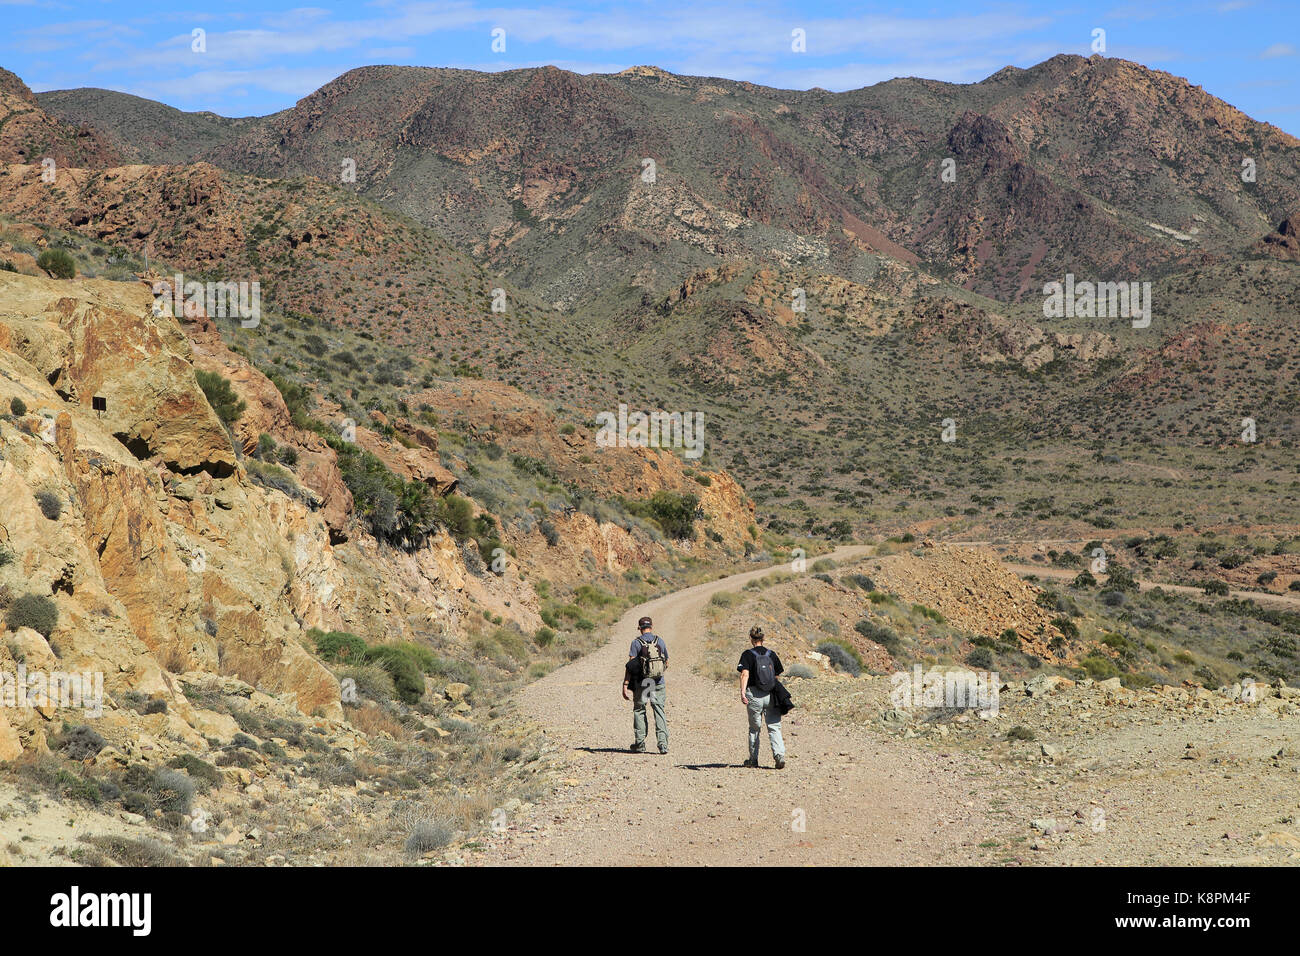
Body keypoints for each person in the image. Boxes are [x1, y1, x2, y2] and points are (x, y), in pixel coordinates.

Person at [738, 625, 785, 769]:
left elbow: (744, 674)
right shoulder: (772, 654)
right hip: (770, 694)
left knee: (754, 728)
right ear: (763, 638)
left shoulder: (747, 654)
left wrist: (742, 692)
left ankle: (753, 759)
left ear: (751, 639)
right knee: (774, 726)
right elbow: (776, 675)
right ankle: (779, 756)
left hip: (754, 695)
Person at [622, 615, 668, 754]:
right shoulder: (660, 641)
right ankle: (662, 744)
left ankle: (640, 743)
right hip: (658, 682)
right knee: (659, 710)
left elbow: (630, 666)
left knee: (640, 710)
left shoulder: (636, 643)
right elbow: (666, 663)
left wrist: (626, 684)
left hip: (642, 684)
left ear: (639, 628)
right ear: (651, 627)